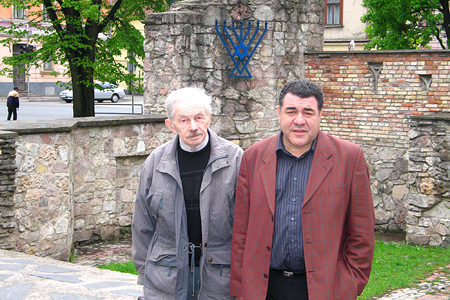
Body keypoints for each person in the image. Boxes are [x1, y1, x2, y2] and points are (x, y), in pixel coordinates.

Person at [230, 79, 375, 300]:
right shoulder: (253, 157)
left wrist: (350, 284)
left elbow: (362, 233)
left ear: (320, 115)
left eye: (308, 112)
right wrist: (241, 288)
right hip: (264, 289)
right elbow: (241, 231)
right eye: (291, 111)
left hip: (324, 289)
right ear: (279, 113)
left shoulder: (349, 158)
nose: (299, 120)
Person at [132, 87, 243, 300]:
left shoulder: (236, 160)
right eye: (184, 120)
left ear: (209, 118)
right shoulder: (155, 163)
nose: (193, 127)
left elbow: (248, 226)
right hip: (166, 276)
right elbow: (142, 225)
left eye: (199, 117)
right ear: (170, 125)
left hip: (219, 277)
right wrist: (146, 277)